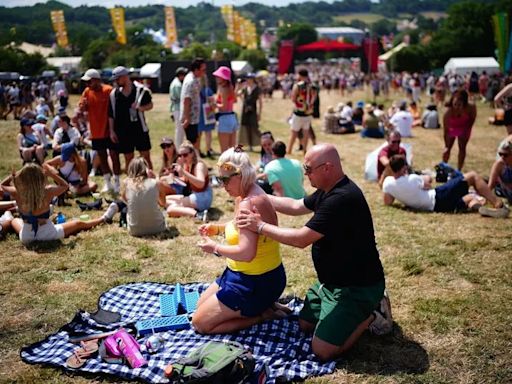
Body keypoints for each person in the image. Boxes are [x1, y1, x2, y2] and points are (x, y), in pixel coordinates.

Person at [236, 144, 389, 361]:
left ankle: (373, 314)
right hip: (332, 283)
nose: (305, 174)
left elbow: (301, 239)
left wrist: (259, 226)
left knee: (322, 350)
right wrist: (257, 194)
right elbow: (296, 205)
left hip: (356, 287)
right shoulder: (328, 190)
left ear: (327, 168)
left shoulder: (341, 199)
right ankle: (349, 313)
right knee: (305, 324)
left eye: (308, 169)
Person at [193, 146, 286, 334]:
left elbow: (246, 253)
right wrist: (218, 229)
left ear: (241, 174)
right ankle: (264, 306)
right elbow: (241, 227)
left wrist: (215, 248)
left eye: (225, 179)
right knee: (200, 305)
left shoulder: (248, 203)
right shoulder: (249, 193)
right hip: (246, 276)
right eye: (220, 179)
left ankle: (263, 314)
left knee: (199, 323)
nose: (222, 185)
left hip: (255, 282)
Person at [0, 163, 116, 245]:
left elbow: (2, 186)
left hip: (26, 237)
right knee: (78, 223)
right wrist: (52, 174)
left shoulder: (18, 192)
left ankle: (9, 219)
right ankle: (103, 218)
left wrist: (13, 176)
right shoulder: (47, 190)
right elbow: (65, 186)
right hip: (48, 234)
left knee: (14, 220)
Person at [382, 155, 509, 218]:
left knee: (470, 197)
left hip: (437, 207)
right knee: (472, 176)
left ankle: (479, 208)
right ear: (403, 167)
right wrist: (424, 177)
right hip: (437, 196)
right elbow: (428, 182)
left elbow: (388, 201)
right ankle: (498, 204)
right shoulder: (411, 178)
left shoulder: (388, 184)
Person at [79, 68, 120, 193]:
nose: (87, 85)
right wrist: (83, 106)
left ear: (97, 80)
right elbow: (81, 109)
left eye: (89, 82)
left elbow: (115, 109)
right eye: (86, 82)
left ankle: (117, 182)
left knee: (114, 155)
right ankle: (107, 182)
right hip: (96, 131)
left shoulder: (108, 90)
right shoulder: (87, 91)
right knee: (101, 157)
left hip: (110, 130)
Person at [107, 157, 167, 237]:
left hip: (134, 230)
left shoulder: (126, 184)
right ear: (147, 169)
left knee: (127, 209)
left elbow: (125, 201)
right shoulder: (157, 183)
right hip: (158, 228)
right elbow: (163, 203)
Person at [109, 66, 153, 171]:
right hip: (123, 131)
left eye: (117, 79)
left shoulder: (141, 90)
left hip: (139, 128)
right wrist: (111, 131)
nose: (116, 81)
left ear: (125, 77)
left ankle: (151, 180)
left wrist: (140, 108)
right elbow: (111, 114)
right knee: (128, 157)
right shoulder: (114, 94)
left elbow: (150, 105)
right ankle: (131, 182)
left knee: (145, 156)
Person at [165, 141, 212, 220]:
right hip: (194, 196)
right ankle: (184, 209)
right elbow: (185, 181)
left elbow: (201, 183)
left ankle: (198, 215)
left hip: (203, 197)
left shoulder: (199, 166)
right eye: (180, 155)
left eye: (185, 155)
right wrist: (173, 177)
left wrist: (183, 172)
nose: (182, 158)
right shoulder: (187, 164)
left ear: (192, 153)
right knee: (164, 200)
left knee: (170, 209)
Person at [442, 90, 476, 170]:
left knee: (462, 148)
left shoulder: (470, 107)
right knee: (448, 148)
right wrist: (446, 145)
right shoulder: (448, 112)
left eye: (459, 105)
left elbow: (472, 119)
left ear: (464, 104)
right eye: (455, 104)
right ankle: (443, 167)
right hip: (452, 127)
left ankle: (459, 170)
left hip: (465, 126)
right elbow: (446, 130)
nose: (457, 107)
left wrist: (466, 130)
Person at [288, 69, 317, 154]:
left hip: (298, 112)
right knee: (306, 132)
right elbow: (314, 98)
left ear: (300, 75)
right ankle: (305, 150)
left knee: (294, 132)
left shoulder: (297, 85)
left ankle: (289, 150)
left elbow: (293, 98)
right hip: (308, 113)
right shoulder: (312, 85)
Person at [180, 58, 207, 149]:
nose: (204, 72)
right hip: (190, 119)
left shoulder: (195, 79)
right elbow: (186, 100)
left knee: (195, 142)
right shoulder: (190, 81)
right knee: (192, 146)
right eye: (203, 69)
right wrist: (187, 118)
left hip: (194, 118)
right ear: (196, 70)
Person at [213, 66, 238, 153]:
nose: (216, 78)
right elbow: (235, 100)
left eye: (218, 76)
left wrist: (214, 105)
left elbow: (223, 107)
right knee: (233, 150)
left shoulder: (223, 89)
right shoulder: (230, 87)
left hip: (224, 118)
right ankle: (233, 167)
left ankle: (224, 167)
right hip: (232, 118)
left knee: (224, 151)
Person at [238, 73, 263, 152]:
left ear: (252, 79)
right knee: (246, 127)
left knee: (254, 127)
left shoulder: (257, 88)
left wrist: (259, 113)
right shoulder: (245, 88)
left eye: (249, 78)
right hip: (245, 110)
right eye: (247, 78)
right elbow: (238, 94)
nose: (248, 80)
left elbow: (260, 102)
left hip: (253, 110)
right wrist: (238, 85)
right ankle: (249, 145)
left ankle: (263, 142)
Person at [197, 74, 216, 158]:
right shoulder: (208, 90)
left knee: (199, 133)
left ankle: (198, 150)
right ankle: (208, 149)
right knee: (208, 133)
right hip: (208, 112)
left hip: (199, 113)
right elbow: (212, 102)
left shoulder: (196, 90)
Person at [488, 139, 512, 204]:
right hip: (506, 191)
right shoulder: (499, 164)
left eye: (505, 155)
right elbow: (490, 186)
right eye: (500, 154)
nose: (502, 157)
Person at [169, 67, 187, 147]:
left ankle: (179, 146)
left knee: (180, 130)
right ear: (180, 75)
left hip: (177, 109)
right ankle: (178, 147)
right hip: (178, 109)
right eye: (184, 74)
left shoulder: (176, 83)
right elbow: (182, 98)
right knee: (180, 130)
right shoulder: (177, 85)